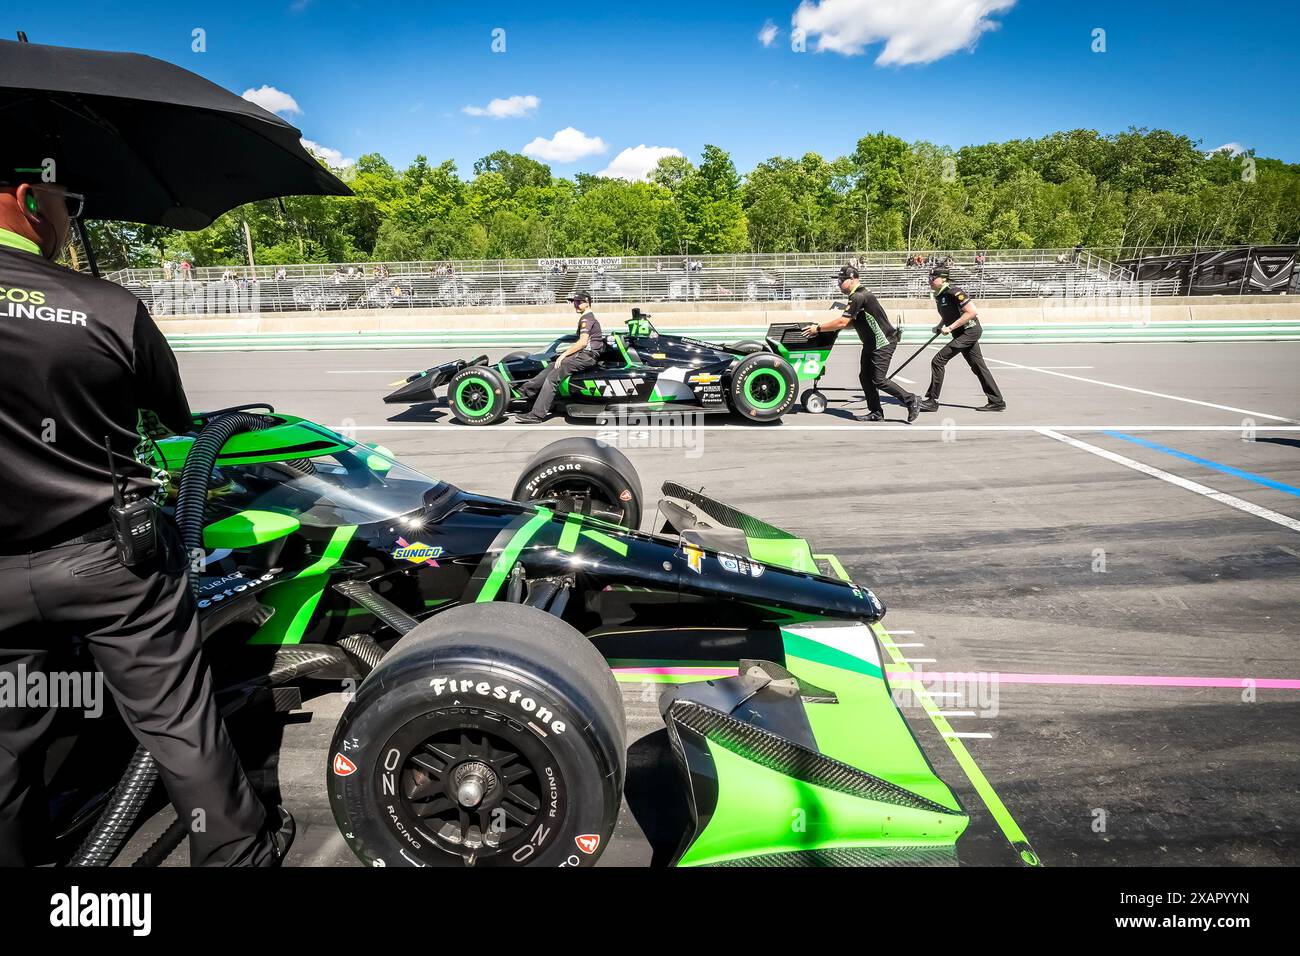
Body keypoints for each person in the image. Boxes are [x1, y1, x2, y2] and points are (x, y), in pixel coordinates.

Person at [0, 169, 293, 866]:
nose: (72, 217)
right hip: (107, 561)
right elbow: (172, 417)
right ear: (26, 196)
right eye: (70, 201)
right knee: (177, 721)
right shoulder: (105, 305)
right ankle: (236, 853)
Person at [803, 264, 920, 423]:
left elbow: (843, 321)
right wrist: (831, 328)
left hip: (882, 342)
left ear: (851, 279)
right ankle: (876, 412)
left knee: (878, 379)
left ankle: (911, 400)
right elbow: (851, 323)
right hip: (871, 343)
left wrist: (818, 328)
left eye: (840, 280)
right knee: (865, 377)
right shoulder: (857, 296)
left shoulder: (858, 296)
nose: (838, 283)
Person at [919, 267, 1006, 413]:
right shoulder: (940, 295)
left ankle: (933, 400)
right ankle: (997, 401)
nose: (930, 281)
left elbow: (972, 312)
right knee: (978, 367)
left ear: (944, 279)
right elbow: (950, 313)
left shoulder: (955, 292)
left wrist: (950, 328)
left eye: (933, 278)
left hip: (969, 331)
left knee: (938, 360)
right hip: (961, 333)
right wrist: (940, 325)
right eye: (929, 278)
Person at [516, 291, 603, 424]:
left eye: (579, 302)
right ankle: (526, 391)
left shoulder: (587, 319)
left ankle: (537, 415)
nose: (575, 304)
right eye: (574, 302)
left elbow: (583, 342)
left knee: (552, 378)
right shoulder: (586, 317)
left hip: (587, 356)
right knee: (552, 366)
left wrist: (563, 355)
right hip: (584, 355)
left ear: (587, 303)